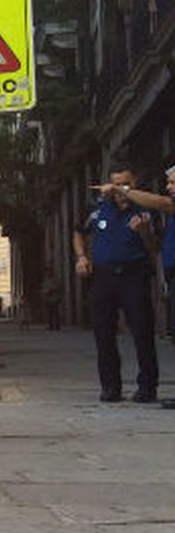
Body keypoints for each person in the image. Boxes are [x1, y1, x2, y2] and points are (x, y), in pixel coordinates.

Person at [75, 162, 160, 403]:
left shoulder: (145, 209)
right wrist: (82, 257)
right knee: (103, 333)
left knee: (142, 331)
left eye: (126, 184)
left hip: (135, 275)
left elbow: (155, 248)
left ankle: (147, 386)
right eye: (117, 184)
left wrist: (143, 231)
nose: (121, 189)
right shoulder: (98, 208)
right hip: (103, 277)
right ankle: (110, 386)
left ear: (135, 183)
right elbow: (78, 231)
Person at [41, 266, 62, 331]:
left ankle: (57, 326)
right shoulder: (46, 280)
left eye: (48, 272)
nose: (48, 273)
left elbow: (58, 287)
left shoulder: (55, 279)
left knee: (55, 313)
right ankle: (51, 326)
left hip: (54, 298)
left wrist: (51, 290)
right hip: (48, 299)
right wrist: (44, 292)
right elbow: (44, 287)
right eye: (47, 272)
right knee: (50, 313)